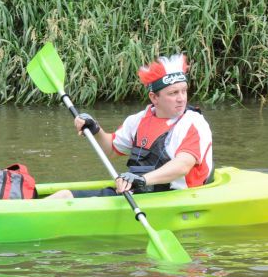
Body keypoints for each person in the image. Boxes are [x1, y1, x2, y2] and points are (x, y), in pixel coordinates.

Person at [47, 53, 213, 199]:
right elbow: (111, 150)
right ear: (154, 98)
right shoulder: (138, 120)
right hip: (138, 192)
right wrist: (95, 129)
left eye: (183, 91)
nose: (181, 98)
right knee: (63, 195)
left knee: (65, 196)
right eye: (173, 93)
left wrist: (142, 180)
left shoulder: (194, 123)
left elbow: (182, 166)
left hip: (178, 197)